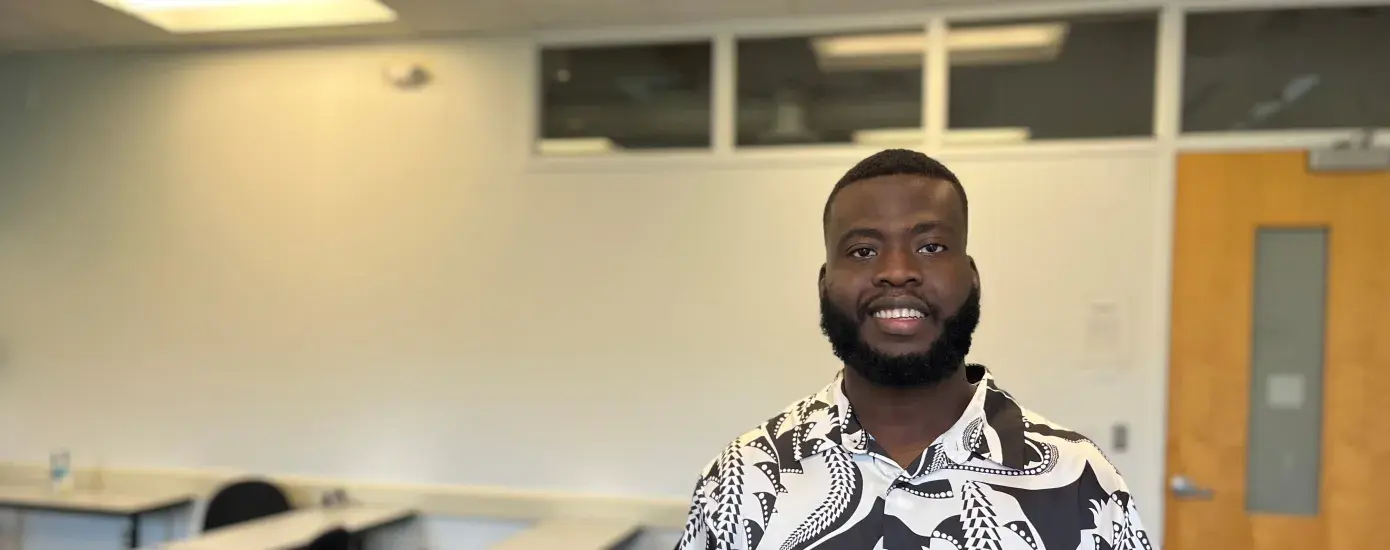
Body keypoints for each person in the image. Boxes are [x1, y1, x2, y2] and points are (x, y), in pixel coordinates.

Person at [675, 149, 1153, 550]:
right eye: (863, 250)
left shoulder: (1079, 478)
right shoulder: (742, 475)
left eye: (930, 247)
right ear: (825, 285)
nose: (898, 270)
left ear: (971, 277)